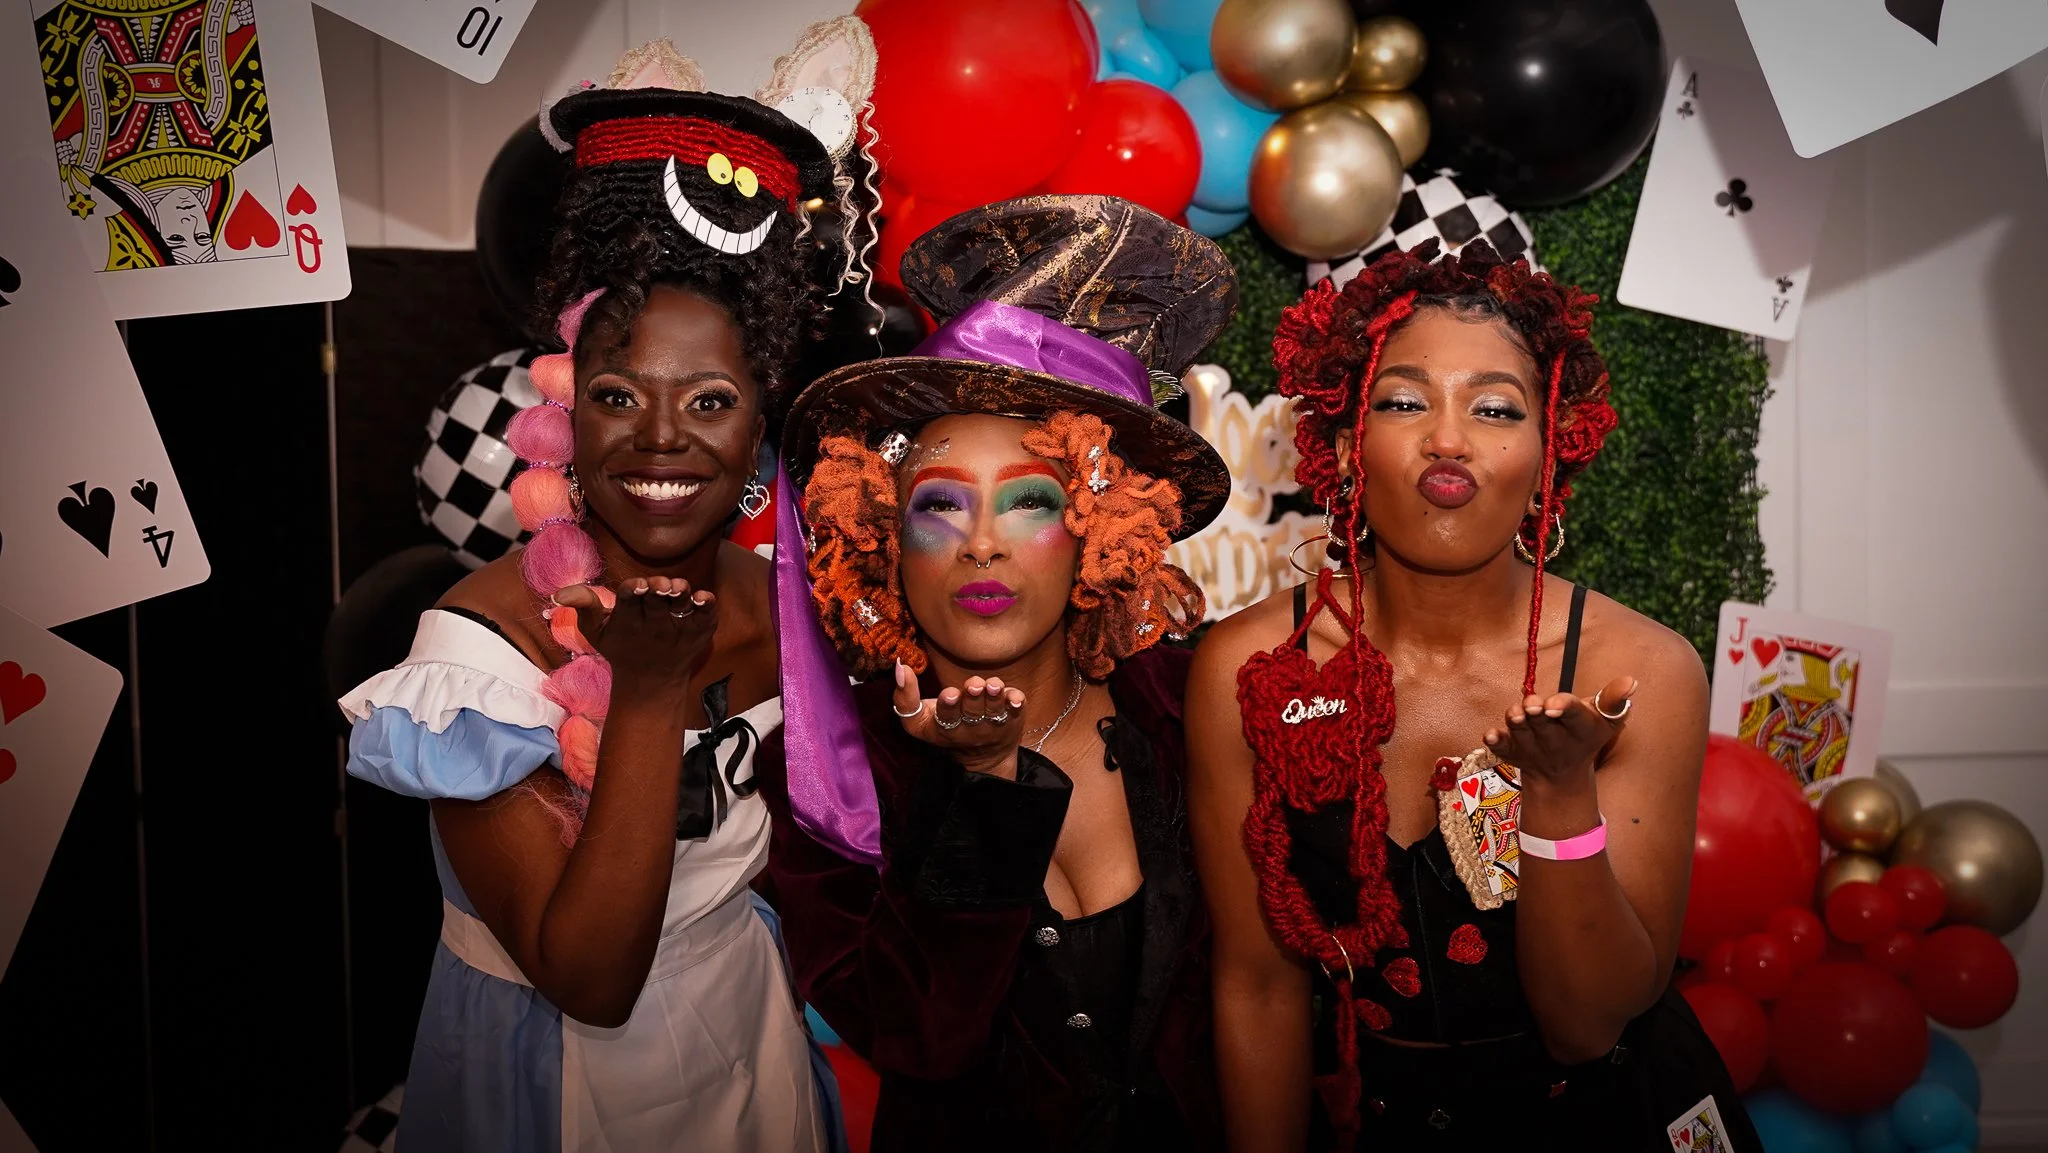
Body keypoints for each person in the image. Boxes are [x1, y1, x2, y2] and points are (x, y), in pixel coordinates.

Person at [337, 23, 878, 1152]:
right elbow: (588, 977)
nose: (661, 437)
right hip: (557, 1082)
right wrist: (648, 692)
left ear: (760, 424)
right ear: (566, 414)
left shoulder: (784, 597)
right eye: (619, 396)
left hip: (749, 1036)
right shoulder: (478, 656)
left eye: (710, 400)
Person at [1186, 241, 1763, 1152]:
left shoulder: (1640, 669)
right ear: (1343, 444)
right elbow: (1257, 985)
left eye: (1494, 408)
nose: (1448, 438)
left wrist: (1560, 791)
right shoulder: (1250, 667)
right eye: (1403, 401)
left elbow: (1589, 1024)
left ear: (1548, 455)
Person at [756, 196, 1237, 1153]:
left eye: (1029, 504)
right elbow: (917, 1036)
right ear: (881, 535)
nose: (981, 543)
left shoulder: (1190, 709)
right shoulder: (828, 768)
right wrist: (980, 786)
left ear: (1095, 532)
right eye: (940, 505)